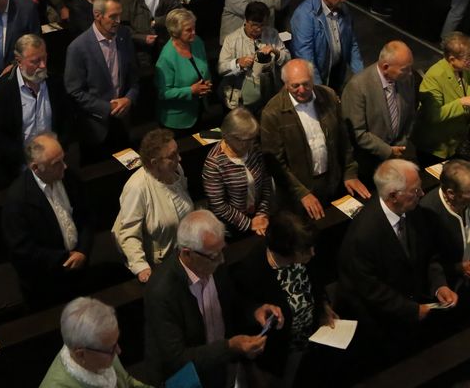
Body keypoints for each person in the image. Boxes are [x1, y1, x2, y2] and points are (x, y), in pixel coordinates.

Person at [142, 209, 283, 388]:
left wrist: (255, 311)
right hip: (186, 379)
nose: (222, 260)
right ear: (187, 254)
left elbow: (231, 303)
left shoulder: (212, 262)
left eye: (222, 251)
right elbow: (176, 358)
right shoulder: (162, 291)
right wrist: (229, 347)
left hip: (219, 367)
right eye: (215, 255)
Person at [336, 159, 457, 366]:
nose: (421, 194)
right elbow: (370, 289)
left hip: (414, 306)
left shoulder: (413, 211)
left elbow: (429, 254)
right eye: (415, 190)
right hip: (382, 324)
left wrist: (439, 285)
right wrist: (410, 310)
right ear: (393, 196)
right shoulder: (363, 235)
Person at [233, 211, 339, 384]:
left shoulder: (305, 254)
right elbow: (243, 315)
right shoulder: (251, 271)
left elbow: (316, 284)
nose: (313, 253)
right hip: (282, 353)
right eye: (306, 250)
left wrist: (323, 306)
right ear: (286, 250)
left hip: (313, 340)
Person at [259, 59, 369, 220]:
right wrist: (302, 193)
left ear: (312, 79)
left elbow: (343, 139)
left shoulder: (329, 96)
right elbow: (275, 163)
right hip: (298, 193)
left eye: (306, 84)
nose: (302, 90)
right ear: (285, 84)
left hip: (332, 182)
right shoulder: (272, 113)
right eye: (295, 86)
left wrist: (350, 172)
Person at [2, 133, 95, 308]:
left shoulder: (70, 178)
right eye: (56, 163)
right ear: (36, 168)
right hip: (46, 283)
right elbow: (21, 249)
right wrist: (65, 259)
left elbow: (86, 216)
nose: (65, 166)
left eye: (63, 159)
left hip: (80, 271)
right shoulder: (18, 199)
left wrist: (82, 251)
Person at [112, 128, 195, 282]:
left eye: (177, 152)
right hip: (161, 265)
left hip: (185, 255)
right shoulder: (137, 187)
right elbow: (128, 233)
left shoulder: (176, 170)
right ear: (154, 163)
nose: (180, 158)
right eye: (172, 156)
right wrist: (141, 267)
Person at [0, 34, 71, 184]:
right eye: (35, 61)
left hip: (53, 167)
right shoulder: (3, 89)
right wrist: (27, 158)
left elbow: (67, 123)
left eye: (44, 58)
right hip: (17, 169)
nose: (43, 65)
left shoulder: (56, 83)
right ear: (19, 62)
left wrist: (54, 154)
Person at [420, 160, 470, 309]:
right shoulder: (427, 213)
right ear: (451, 194)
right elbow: (426, 263)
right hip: (448, 290)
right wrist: (458, 268)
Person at [65, 0, 139, 154]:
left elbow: (133, 76)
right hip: (96, 127)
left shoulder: (124, 35)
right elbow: (74, 91)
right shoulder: (78, 48)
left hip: (123, 121)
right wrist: (108, 107)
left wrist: (129, 99)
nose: (118, 21)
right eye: (113, 17)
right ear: (97, 15)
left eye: (120, 15)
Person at [342, 41, 419, 182]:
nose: (409, 73)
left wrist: (401, 144)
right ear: (385, 67)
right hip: (368, 162)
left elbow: (410, 114)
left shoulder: (407, 79)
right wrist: (388, 151)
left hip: (399, 154)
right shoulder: (358, 87)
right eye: (404, 69)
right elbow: (357, 133)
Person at [38, 297, 150, 388]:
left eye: (116, 343)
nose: (118, 351)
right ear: (80, 354)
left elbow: (127, 382)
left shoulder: (104, 346)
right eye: (110, 349)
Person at [414, 32, 470, 160]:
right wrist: (462, 102)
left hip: (457, 140)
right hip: (436, 145)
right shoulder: (434, 77)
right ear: (452, 59)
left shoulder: (467, 68)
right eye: (467, 58)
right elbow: (433, 115)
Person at [203, 108, 272, 236]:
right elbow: (218, 205)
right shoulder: (214, 162)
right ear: (227, 135)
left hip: (259, 220)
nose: (249, 144)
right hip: (231, 228)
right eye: (244, 140)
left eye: (252, 138)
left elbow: (266, 182)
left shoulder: (254, 148)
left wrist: (262, 213)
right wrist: (249, 223)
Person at [289, 0, 364, 92]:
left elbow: (351, 43)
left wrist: (362, 76)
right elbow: (306, 59)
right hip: (314, 79)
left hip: (336, 71)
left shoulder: (343, 9)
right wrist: (321, 91)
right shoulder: (305, 15)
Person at [218, 0, 288, 113]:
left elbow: (288, 58)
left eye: (262, 25)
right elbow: (221, 68)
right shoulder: (231, 39)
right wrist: (238, 63)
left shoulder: (272, 34)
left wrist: (276, 51)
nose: (259, 30)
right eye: (254, 25)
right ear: (246, 20)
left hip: (269, 93)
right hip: (242, 96)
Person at [156, 7, 212, 130]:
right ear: (175, 32)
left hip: (199, 110)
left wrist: (207, 82)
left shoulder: (197, 42)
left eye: (194, 28)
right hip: (178, 120)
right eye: (189, 30)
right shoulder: (166, 58)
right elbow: (164, 93)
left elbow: (203, 68)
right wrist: (191, 90)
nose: (194, 32)